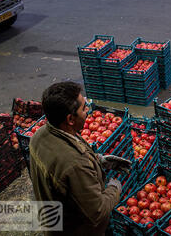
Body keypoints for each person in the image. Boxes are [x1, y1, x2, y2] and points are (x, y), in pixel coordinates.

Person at [30, 81, 131, 236]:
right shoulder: (75, 164)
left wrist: (99, 160)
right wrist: (114, 188)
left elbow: (68, 158)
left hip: (53, 220)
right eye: (84, 108)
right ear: (70, 119)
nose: (88, 110)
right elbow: (97, 212)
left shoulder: (40, 135)